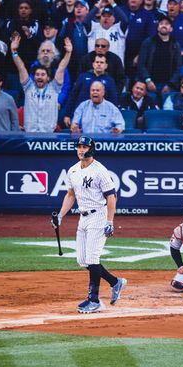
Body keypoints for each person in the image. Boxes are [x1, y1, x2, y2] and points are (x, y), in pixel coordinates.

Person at [51, 135, 127, 314]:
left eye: (84, 147)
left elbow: (111, 196)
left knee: (92, 259)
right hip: (83, 217)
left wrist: (110, 221)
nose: (81, 150)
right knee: (82, 260)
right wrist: (61, 215)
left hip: (99, 216)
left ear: (91, 149)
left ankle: (94, 300)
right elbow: (71, 195)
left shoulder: (99, 170)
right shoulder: (72, 171)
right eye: (79, 147)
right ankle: (116, 282)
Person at [12, 34, 72, 132]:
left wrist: (68, 52)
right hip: (30, 134)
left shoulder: (54, 88)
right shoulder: (28, 87)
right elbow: (21, 67)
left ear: (48, 78)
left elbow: (62, 67)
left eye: (42, 74)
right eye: (37, 74)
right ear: (34, 76)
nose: (39, 76)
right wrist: (14, 51)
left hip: (48, 135)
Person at [64, 54, 118, 127]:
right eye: (97, 62)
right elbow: (73, 96)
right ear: (93, 64)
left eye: (101, 63)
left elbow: (113, 101)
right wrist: (67, 114)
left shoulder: (110, 81)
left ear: (106, 66)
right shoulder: (83, 77)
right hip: (82, 115)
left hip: (102, 116)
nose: (99, 64)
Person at [138, 15, 182, 103]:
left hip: (168, 85)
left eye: (167, 24)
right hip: (150, 83)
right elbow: (141, 64)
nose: (163, 25)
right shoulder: (148, 42)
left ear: (171, 29)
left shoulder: (175, 45)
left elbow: (178, 67)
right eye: (161, 24)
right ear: (158, 28)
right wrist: (148, 80)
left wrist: (169, 85)